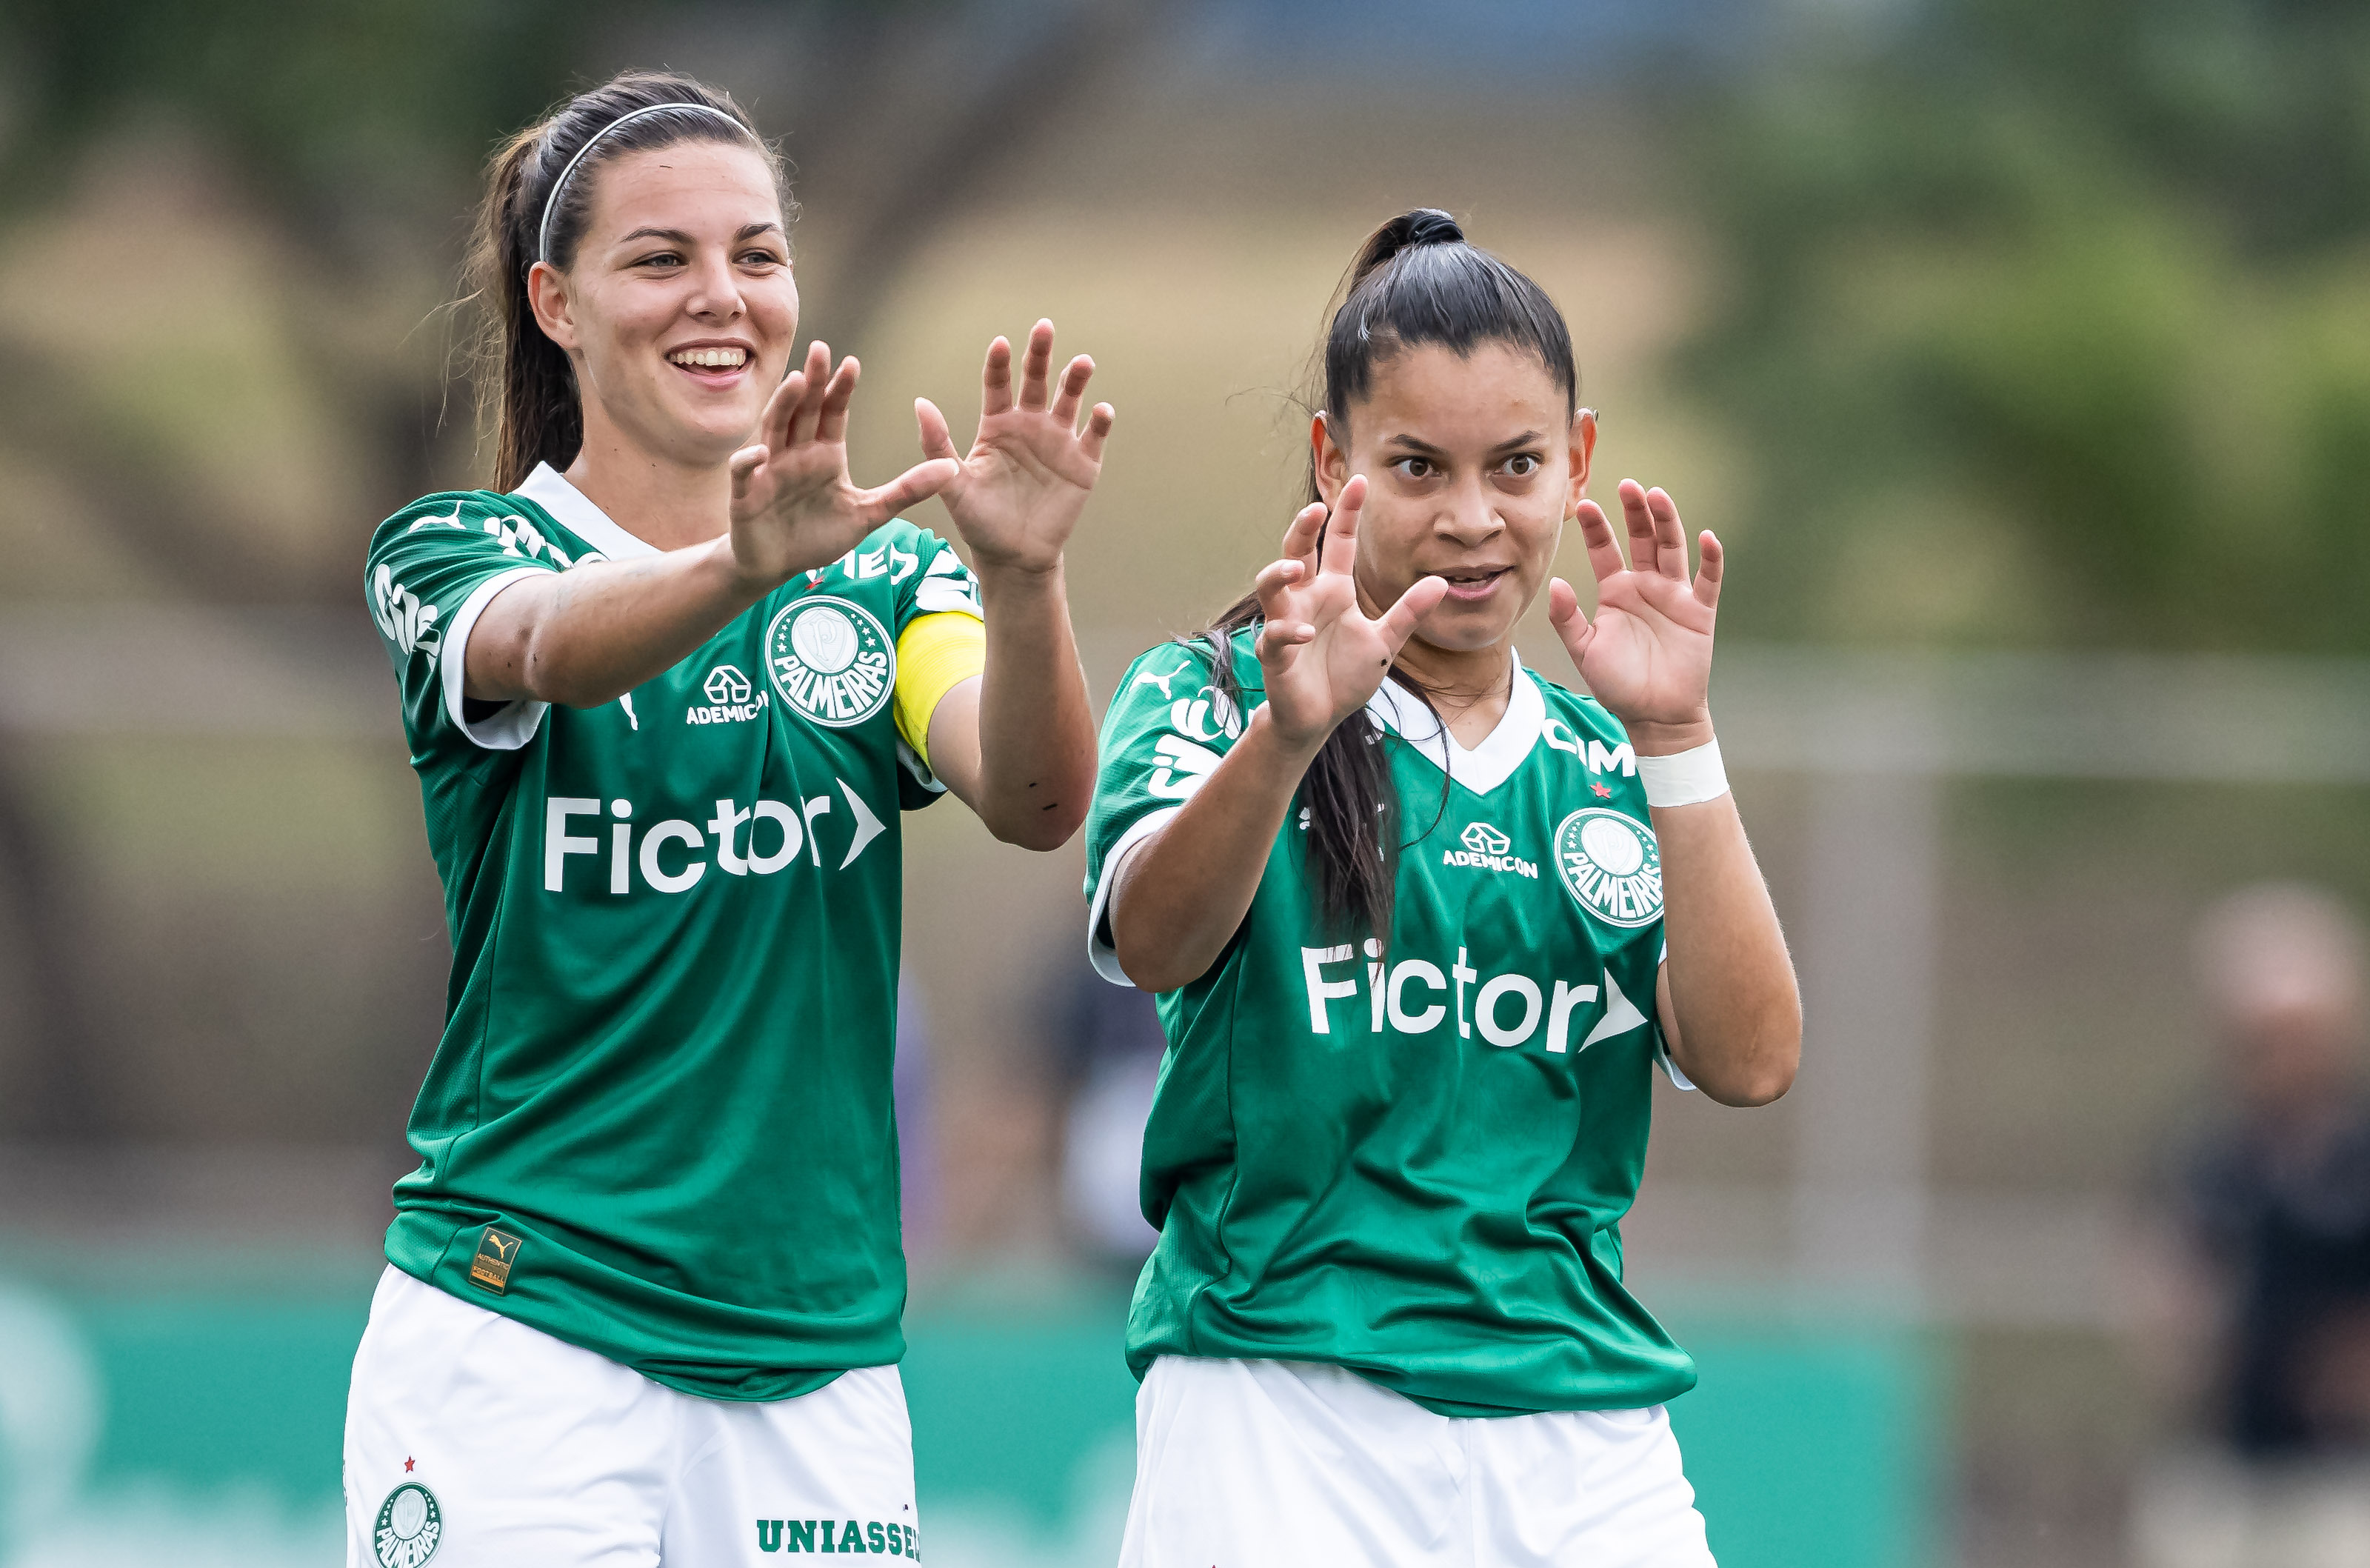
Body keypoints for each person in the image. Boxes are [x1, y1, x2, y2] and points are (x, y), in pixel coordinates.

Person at [347, 70, 1110, 1567]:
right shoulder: (454, 549)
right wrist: (741, 567)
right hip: (523, 1323)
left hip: (813, 1355)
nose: (722, 296)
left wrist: (1022, 579)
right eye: (662, 258)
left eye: (756, 254)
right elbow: (550, 645)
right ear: (556, 302)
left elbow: (1031, 796)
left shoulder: (884, 581)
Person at [1083, 209, 1801, 1567]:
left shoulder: (1608, 760)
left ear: (1576, 461)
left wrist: (1680, 742)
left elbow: (1754, 1060)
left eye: (1516, 465)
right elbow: (1158, 941)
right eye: (1417, 466)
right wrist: (1287, 740)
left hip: (1579, 1427)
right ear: (1332, 463)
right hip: (1280, 1399)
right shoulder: (1214, 694)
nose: (1472, 518)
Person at [2127, 884, 2370, 1568]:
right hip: (2225, 1457)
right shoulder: (2206, 1152)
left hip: (2341, 1468)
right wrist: (2181, 1334)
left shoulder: (2357, 1152)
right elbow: (2162, 1263)